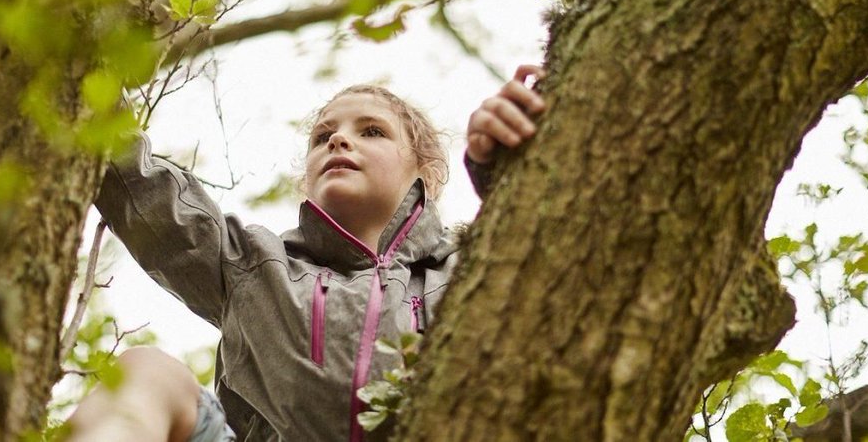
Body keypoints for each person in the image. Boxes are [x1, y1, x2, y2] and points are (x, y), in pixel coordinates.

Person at [68, 65, 547, 442]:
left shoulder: (469, 268)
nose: (340, 139)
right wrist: (80, 70)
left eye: (372, 132)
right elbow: (143, 190)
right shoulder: (251, 265)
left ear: (427, 170)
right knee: (147, 371)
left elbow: (556, 270)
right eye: (323, 136)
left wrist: (505, 171)